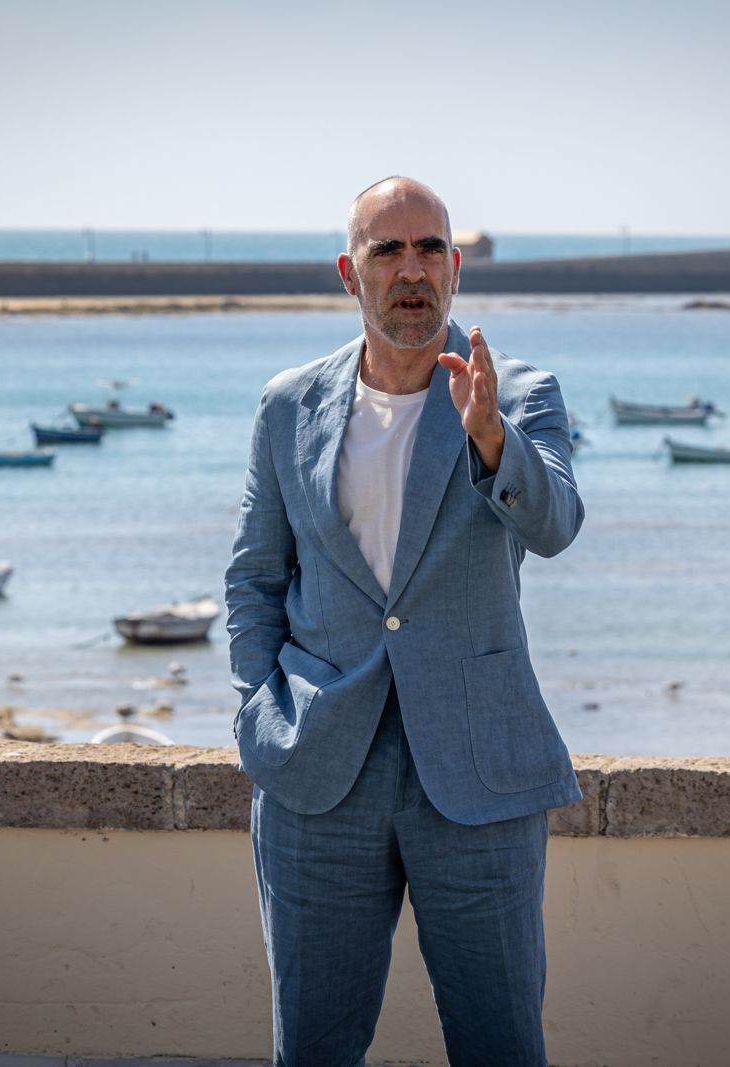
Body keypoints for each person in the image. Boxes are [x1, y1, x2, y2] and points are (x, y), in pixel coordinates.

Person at [225, 176, 585, 1065]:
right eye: (388, 250)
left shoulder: (521, 395)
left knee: (501, 1043)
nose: (411, 268)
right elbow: (254, 576)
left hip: (478, 771)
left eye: (430, 249)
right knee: (310, 1047)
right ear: (350, 273)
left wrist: (492, 437)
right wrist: (258, 710)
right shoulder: (287, 406)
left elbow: (556, 527)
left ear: (457, 269)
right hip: (318, 772)